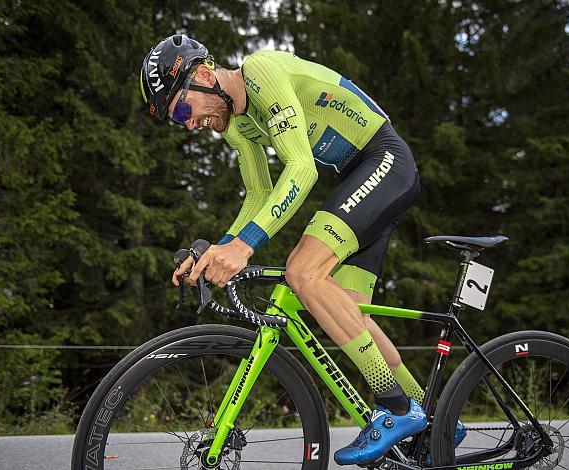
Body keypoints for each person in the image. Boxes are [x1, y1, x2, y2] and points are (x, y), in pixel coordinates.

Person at [141, 34, 456, 465]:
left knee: (303, 273)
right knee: (348, 310)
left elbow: (302, 169)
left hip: (384, 160)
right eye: (178, 120)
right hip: (358, 174)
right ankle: (437, 417)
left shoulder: (261, 70)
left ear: (203, 75)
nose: (188, 124)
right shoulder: (238, 124)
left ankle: (397, 408)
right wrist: (218, 248)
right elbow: (257, 195)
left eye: (181, 109)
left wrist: (246, 247)